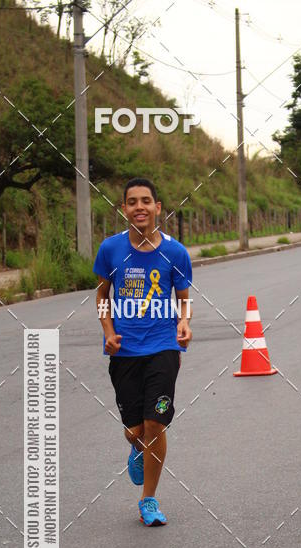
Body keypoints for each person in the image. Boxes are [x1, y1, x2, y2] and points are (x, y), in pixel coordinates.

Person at [93, 177, 193, 526]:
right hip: (124, 351)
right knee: (135, 430)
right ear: (124, 209)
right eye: (132, 201)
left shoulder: (175, 252)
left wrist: (184, 324)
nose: (140, 207)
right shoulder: (110, 250)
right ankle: (137, 448)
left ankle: (148, 499)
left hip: (163, 347)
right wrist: (108, 331)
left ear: (157, 207)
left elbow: (183, 301)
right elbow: (102, 296)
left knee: (156, 423)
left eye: (146, 201)